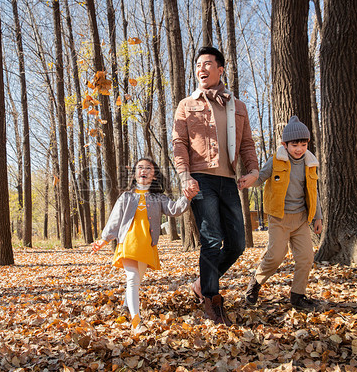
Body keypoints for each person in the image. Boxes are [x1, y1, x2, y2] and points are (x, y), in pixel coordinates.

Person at [172, 46, 259, 324]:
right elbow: (179, 144)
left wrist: (254, 170)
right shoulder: (187, 105)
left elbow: (246, 143)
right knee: (211, 240)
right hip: (200, 179)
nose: (201, 69)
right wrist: (184, 176)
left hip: (229, 180)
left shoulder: (238, 107)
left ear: (220, 69)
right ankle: (211, 299)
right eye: (198, 64)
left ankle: (200, 284)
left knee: (237, 243)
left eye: (208, 63)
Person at [91, 158, 195, 327]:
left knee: (136, 281)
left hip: (147, 246)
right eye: (140, 168)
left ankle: (126, 307)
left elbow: (174, 209)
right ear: (134, 173)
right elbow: (115, 220)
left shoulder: (158, 198)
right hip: (128, 243)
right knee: (132, 278)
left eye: (148, 168)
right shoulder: (126, 196)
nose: (143, 171)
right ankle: (136, 322)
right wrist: (104, 240)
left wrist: (187, 197)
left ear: (154, 176)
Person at [244, 116, 323, 311]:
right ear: (284, 144)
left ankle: (298, 296)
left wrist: (318, 217)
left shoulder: (310, 163)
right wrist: (248, 180)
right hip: (279, 218)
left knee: (306, 257)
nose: (299, 149)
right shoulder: (276, 161)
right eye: (294, 144)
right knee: (276, 256)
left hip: (301, 219)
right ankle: (255, 282)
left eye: (303, 144)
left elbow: (314, 192)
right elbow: (260, 177)